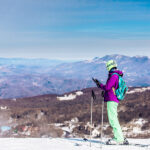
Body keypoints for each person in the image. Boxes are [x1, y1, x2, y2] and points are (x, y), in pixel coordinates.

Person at [93, 60, 129, 145]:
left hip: (112, 100)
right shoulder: (115, 75)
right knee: (114, 119)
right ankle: (120, 137)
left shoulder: (113, 76)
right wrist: (105, 92)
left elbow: (108, 87)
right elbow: (110, 88)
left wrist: (100, 85)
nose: (107, 69)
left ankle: (119, 139)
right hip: (112, 99)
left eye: (107, 67)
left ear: (109, 66)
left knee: (113, 119)